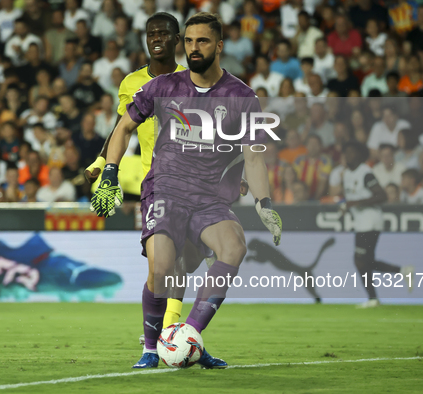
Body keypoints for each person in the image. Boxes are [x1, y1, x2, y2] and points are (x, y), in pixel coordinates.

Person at [90, 12, 281, 369]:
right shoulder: (164, 86)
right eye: (189, 41)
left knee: (234, 246)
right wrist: (111, 173)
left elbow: (254, 158)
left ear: (219, 46)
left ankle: (188, 336)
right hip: (165, 188)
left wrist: (264, 204)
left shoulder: (242, 96)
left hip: (209, 197)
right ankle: (151, 347)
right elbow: (124, 127)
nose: (194, 48)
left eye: (203, 41)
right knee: (164, 269)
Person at [84, 12, 189, 343]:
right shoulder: (131, 83)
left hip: (193, 184)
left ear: (176, 39)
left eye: (163, 33)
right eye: (150, 34)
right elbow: (121, 128)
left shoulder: (194, 79)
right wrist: (102, 163)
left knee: (180, 265)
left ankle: (166, 334)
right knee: (160, 268)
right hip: (155, 183)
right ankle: (158, 336)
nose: (156, 38)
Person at [341, 141, 413, 308]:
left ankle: (373, 298)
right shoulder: (347, 174)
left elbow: (381, 195)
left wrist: (356, 203)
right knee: (365, 261)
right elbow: (354, 197)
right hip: (361, 222)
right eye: (346, 152)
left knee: (360, 261)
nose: (348, 155)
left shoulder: (366, 173)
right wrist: (347, 205)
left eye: (351, 152)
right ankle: (403, 271)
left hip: (371, 220)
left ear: (359, 155)